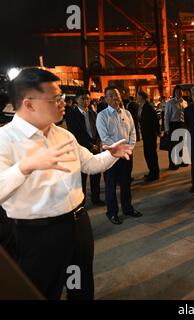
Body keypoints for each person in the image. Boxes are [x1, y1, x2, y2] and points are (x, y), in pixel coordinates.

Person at [0, 68, 132, 299]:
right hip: (37, 235)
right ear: (29, 104)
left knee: (80, 286)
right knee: (42, 290)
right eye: (56, 98)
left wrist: (112, 154)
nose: (63, 103)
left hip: (77, 224)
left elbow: (89, 164)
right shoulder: (5, 140)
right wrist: (26, 166)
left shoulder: (63, 135)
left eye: (63, 97)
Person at [96, 86, 142, 225]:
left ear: (120, 97)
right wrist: (120, 149)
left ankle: (128, 208)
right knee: (110, 185)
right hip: (111, 156)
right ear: (105, 98)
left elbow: (133, 132)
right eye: (110, 95)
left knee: (126, 183)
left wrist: (130, 147)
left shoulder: (127, 113)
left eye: (116, 95)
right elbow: (105, 137)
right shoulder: (102, 116)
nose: (114, 97)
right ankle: (112, 212)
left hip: (127, 154)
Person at [66, 88, 105, 206]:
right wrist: (89, 145)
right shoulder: (72, 115)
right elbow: (75, 134)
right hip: (81, 150)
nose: (85, 101)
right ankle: (80, 202)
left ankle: (96, 198)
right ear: (76, 99)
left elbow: (98, 130)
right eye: (83, 98)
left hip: (95, 150)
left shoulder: (93, 113)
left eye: (87, 98)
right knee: (81, 177)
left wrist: (98, 143)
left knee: (96, 175)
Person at [137, 91, 160, 182]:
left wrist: (156, 132)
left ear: (142, 97)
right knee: (147, 154)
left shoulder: (148, 107)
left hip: (150, 135)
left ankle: (155, 173)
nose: (136, 98)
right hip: (146, 134)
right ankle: (151, 171)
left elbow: (155, 121)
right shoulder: (142, 107)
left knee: (151, 154)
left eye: (138, 96)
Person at [164, 85, 188, 170]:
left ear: (183, 92)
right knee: (173, 146)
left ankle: (181, 161)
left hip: (183, 125)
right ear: (174, 92)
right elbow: (166, 116)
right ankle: (173, 164)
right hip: (173, 125)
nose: (179, 93)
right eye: (177, 91)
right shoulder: (170, 103)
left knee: (182, 144)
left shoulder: (185, 102)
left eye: (180, 91)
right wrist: (166, 128)